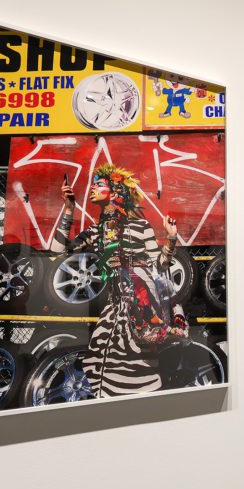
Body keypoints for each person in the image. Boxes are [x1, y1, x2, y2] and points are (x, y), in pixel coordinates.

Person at [52, 164, 186, 398]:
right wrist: (69, 208)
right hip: (114, 306)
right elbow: (56, 251)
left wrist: (171, 239)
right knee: (98, 358)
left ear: (116, 193)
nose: (92, 187)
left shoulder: (140, 226)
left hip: (142, 305)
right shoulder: (95, 232)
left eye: (100, 184)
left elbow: (160, 266)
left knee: (138, 358)